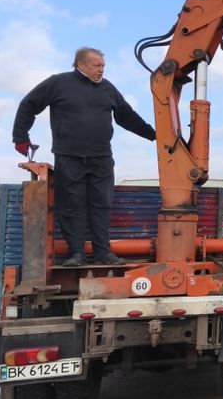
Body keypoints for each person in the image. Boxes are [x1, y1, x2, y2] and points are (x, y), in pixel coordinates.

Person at [12, 47, 156, 267]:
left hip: (101, 157)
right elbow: (28, 105)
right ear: (80, 64)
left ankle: (102, 253)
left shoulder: (108, 89)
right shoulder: (58, 83)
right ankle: (76, 253)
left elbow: (127, 117)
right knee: (72, 204)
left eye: (103, 66)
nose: (101, 70)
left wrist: (154, 135)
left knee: (102, 204)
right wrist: (20, 136)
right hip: (68, 156)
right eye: (96, 65)